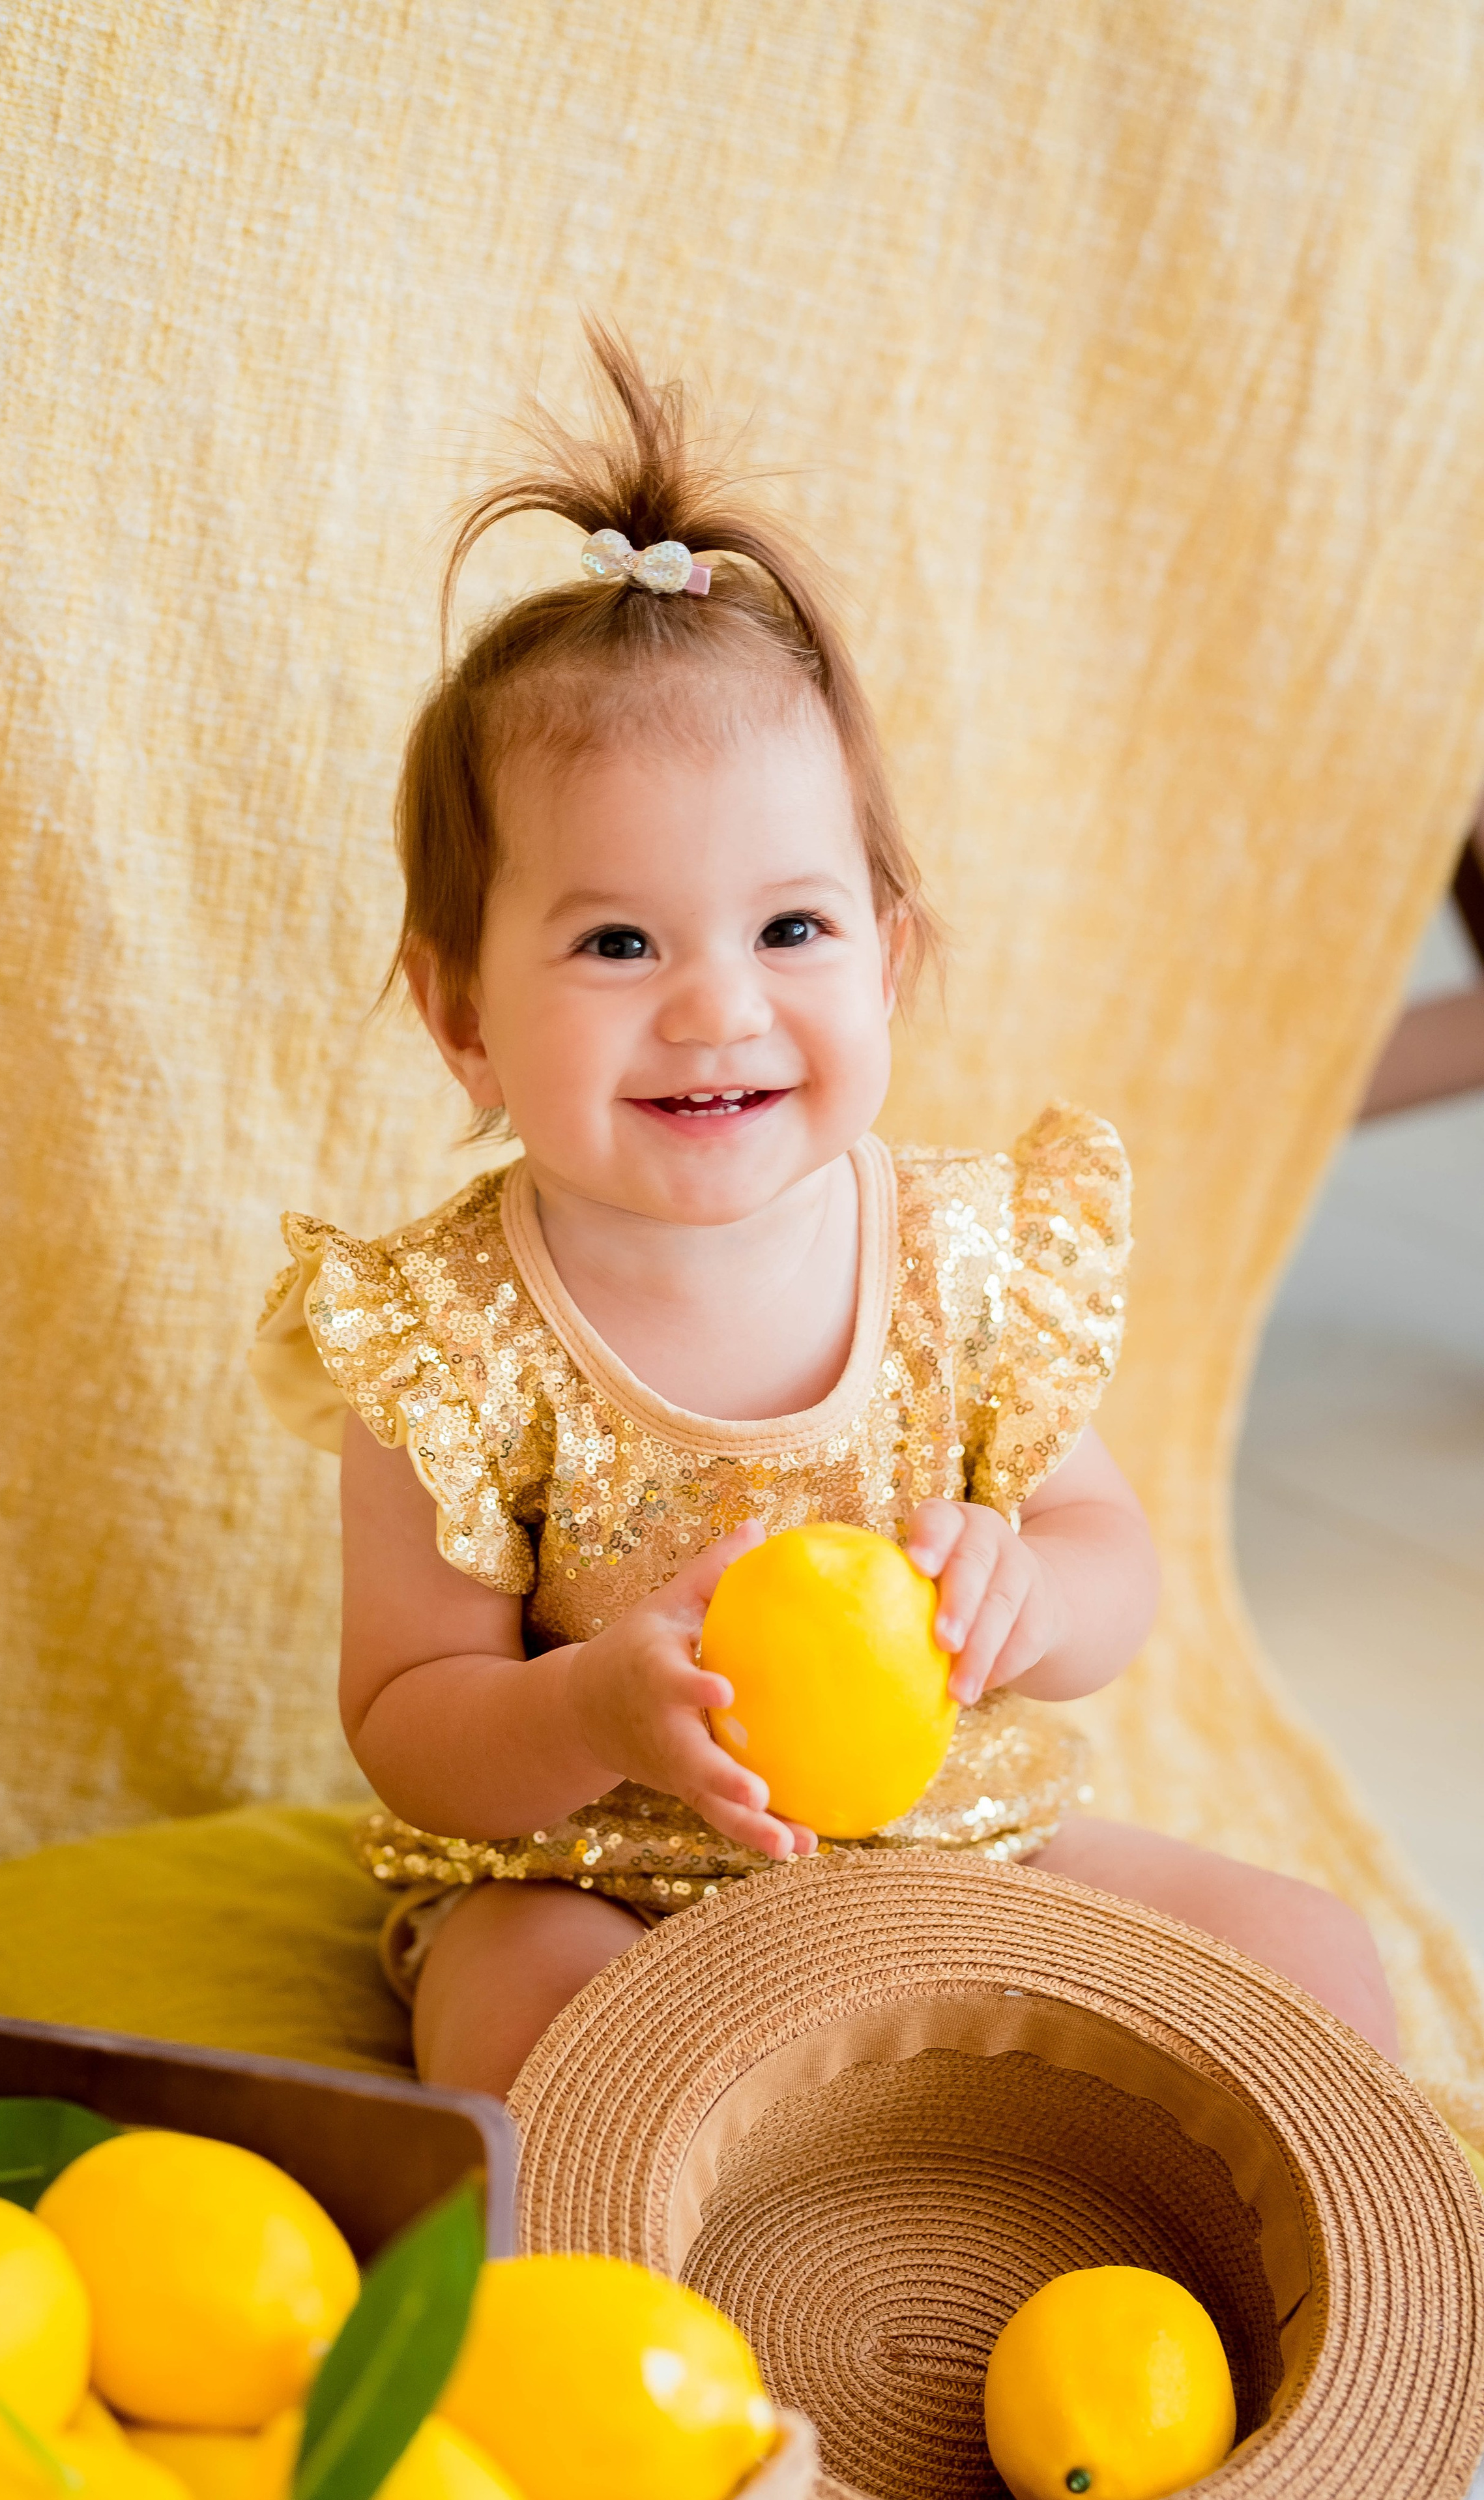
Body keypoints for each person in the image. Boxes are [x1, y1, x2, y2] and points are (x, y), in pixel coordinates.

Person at [252, 328, 1395, 2096]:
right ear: (459, 1009)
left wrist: (1033, 1586)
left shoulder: (966, 1256)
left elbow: (1115, 1564)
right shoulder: (448, 1339)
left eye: (790, 930)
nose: (718, 1007)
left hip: (951, 1846)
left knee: (1314, 1955)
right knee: (528, 2034)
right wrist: (590, 1710)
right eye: (618, 942)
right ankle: (662, 2321)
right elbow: (409, 1723)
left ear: (889, 958)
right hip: (597, 1880)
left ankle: (1337, 2303)